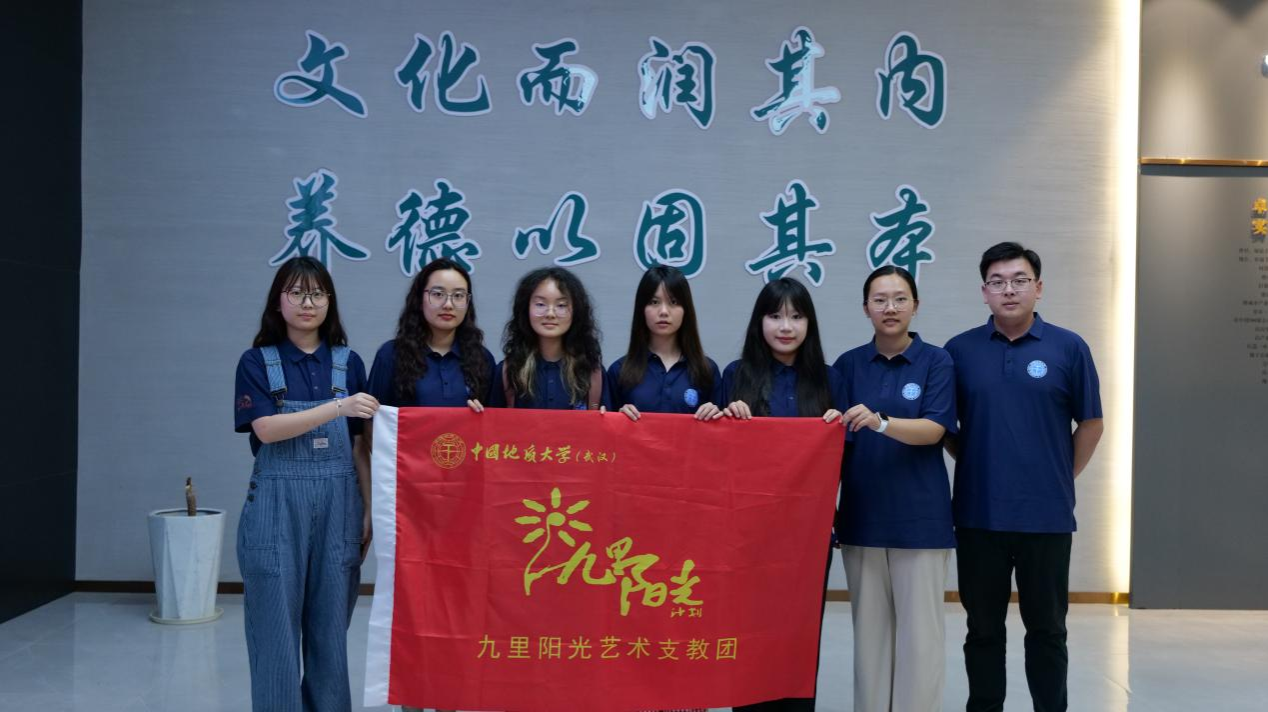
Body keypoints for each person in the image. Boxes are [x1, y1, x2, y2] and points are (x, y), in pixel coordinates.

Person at [944, 242, 1104, 712]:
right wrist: (977, 461)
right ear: (984, 292)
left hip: (1046, 518)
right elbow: (946, 428)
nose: (1008, 290)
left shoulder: (1069, 348)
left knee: (1048, 629)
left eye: (1019, 280)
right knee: (982, 629)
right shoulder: (959, 351)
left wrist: (1060, 476)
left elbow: (1091, 422)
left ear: (1039, 287)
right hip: (978, 515)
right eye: (997, 282)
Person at [233, 256, 379, 711]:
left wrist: (368, 509)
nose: (307, 303)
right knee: (275, 634)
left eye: (317, 293)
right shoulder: (257, 361)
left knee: (330, 633)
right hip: (275, 508)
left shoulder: (348, 363)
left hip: (340, 506)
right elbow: (266, 429)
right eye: (296, 293)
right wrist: (338, 407)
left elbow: (360, 446)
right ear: (278, 302)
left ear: (329, 301)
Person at [362, 258, 494, 712]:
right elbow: (372, 432)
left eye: (458, 295)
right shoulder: (392, 356)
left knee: (458, 611)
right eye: (437, 293)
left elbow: (495, 438)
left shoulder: (481, 361)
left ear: (469, 303)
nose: (447, 304)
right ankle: (413, 701)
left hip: (464, 511)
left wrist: (481, 421)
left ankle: (451, 699)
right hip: (409, 510)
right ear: (420, 299)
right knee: (413, 610)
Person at [833, 266, 956, 712]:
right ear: (865, 308)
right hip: (862, 519)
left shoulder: (937, 362)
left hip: (921, 521)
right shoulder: (847, 366)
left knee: (921, 641)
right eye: (880, 299)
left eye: (900, 298)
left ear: (915, 306)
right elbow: (831, 444)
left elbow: (935, 429)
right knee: (870, 638)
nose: (890, 307)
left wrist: (881, 422)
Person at [721, 277, 843, 712]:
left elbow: (845, 457)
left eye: (796, 316)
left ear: (810, 323)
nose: (785, 326)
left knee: (799, 635)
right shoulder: (735, 376)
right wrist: (726, 418)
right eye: (775, 315)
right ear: (760, 322)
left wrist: (835, 428)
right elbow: (716, 456)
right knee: (747, 632)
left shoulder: (829, 379)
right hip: (747, 534)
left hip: (808, 537)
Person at [610, 265, 723, 422]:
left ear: (686, 310)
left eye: (673, 302)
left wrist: (716, 416)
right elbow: (605, 432)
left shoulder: (706, 370)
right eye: (654, 302)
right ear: (642, 309)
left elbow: (721, 432)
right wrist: (617, 418)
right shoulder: (619, 371)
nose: (663, 311)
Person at [489, 266, 609, 411]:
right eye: (540, 304)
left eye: (561, 305)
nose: (550, 313)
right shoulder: (508, 371)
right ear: (525, 309)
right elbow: (492, 422)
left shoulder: (592, 373)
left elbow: (609, 422)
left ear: (576, 311)